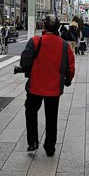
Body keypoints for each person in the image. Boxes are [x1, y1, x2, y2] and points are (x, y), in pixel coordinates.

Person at [20, 15, 76, 156]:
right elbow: (70, 66)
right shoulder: (64, 45)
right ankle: (50, 147)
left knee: (31, 111)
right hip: (54, 87)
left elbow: (24, 62)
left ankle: (32, 141)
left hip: (35, 86)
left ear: (44, 26)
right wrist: (68, 80)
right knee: (52, 116)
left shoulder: (35, 41)